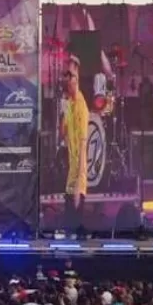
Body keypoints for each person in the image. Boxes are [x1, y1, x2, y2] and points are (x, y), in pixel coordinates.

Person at [60, 54, 90, 233]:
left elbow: (83, 147)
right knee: (67, 228)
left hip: (78, 176)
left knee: (74, 229)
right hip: (70, 175)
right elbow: (62, 133)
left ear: (76, 78)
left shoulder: (81, 107)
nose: (66, 78)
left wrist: (78, 186)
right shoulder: (69, 103)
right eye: (65, 74)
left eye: (69, 74)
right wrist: (63, 110)